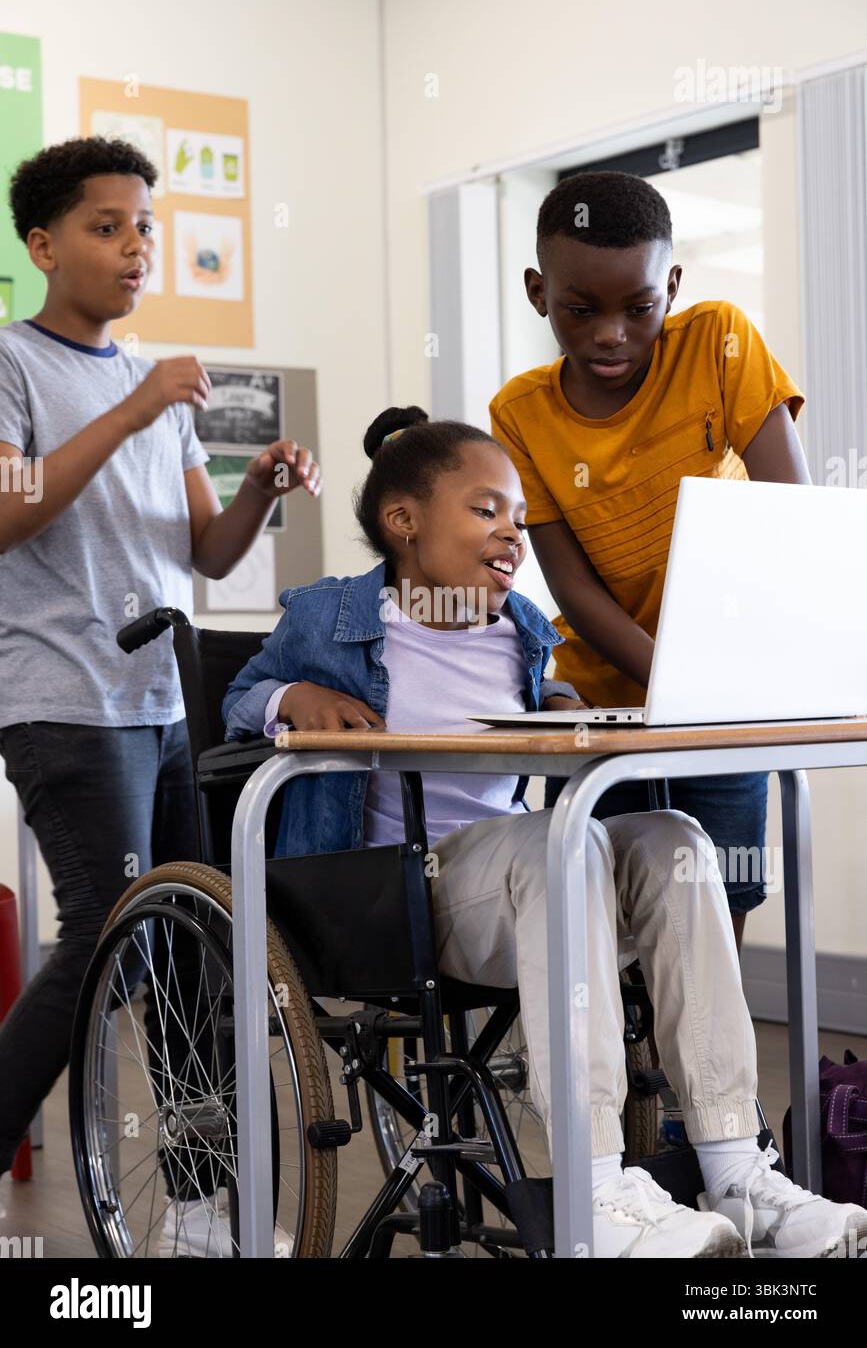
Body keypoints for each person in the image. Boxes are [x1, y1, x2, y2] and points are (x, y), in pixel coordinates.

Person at [223, 408, 865, 1258]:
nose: (512, 533)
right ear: (403, 520)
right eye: (485, 509)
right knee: (558, 845)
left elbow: (539, 705)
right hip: (391, 896)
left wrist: (562, 706)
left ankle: (735, 1169)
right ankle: (594, 1191)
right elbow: (238, 698)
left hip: (508, 888)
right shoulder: (330, 615)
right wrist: (290, 697)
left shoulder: (521, 627)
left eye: (520, 518)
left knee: (674, 838)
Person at [0, 137, 320, 1255]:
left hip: (166, 700)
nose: (135, 246)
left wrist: (261, 489)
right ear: (43, 245)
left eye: (145, 225)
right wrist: (135, 409)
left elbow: (208, 550)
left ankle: (193, 1208)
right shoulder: (15, 363)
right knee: (111, 938)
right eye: (106, 226)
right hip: (63, 700)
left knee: (191, 948)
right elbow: (8, 510)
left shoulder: (159, 388)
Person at [490, 170, 810, 948]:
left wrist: (710, 689)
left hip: (725, 696)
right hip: (605, 708)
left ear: (670, 286)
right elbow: (571, 586)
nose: (611, 334)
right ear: (537, 292)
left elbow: (788, 513)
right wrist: (671, 686)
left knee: (714, 916)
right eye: (580, 309)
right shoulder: (519, 413)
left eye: (638, 308)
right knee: (601, 917)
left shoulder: (718, 341)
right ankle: (619, 1036)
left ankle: (700, 1040)